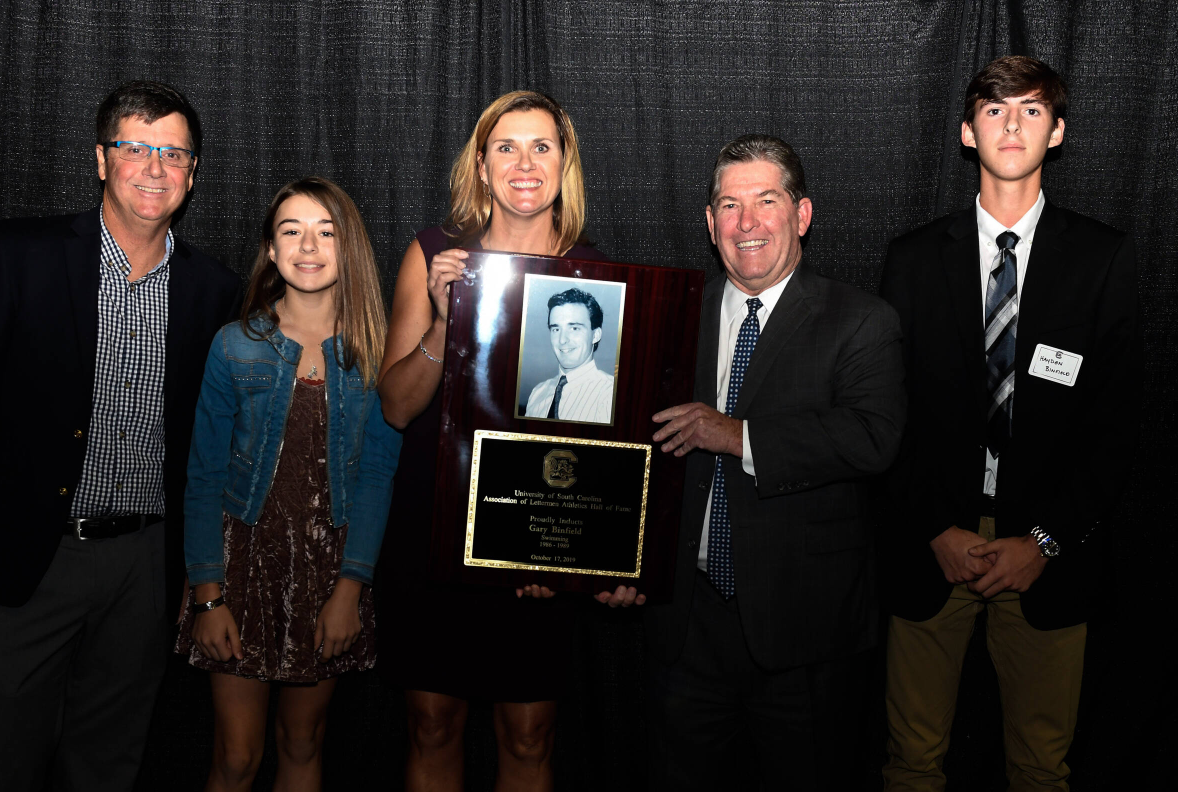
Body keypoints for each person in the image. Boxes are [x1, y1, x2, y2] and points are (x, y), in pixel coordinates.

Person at [0, 81, 241, 790]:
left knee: (110, 760)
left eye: (173, 153)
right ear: (102, 160)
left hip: (144, 568)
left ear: (193, 174)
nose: (154, 167)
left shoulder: (212, 289)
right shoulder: (23, 255)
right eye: (135, 148)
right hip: (25, 557)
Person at [879, 55, 1141, 792]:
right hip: (934, 548)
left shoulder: (1102, 259)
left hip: (1048, 557)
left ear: (1057, 133)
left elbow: (1117, 428)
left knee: (1038, 767)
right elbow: (886, 415)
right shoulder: (912, 260)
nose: (1013, 123)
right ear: (968, 133)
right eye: (995, 110)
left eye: (1031, 109)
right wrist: (936, 527)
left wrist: (1046, 541)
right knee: (912, 762)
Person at [620, 134, 905, 790]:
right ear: (709, 222)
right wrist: (623, 561)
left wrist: (737, 436)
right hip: (684, 626)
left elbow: (873, 438)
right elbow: (634, 453)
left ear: (801, 214)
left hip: (804, 637)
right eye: (728, 205)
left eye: (765, 201)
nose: (746, 223)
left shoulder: (862, 322)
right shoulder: (668, 316)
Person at [376, 90, 606, 792]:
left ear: (564, 163)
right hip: (435, 526)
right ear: (481, 165)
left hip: (536, 534)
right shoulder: (434, 255)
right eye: (506, 147)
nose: (524, 162)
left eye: (542, 146)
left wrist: (564, 549)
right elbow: (394, 406)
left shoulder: (594, 274)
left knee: (529, 733)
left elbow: (600, 441)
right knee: (433, 724)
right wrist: (445, 325)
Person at [176, 176, 401, 791]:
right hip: (239, 570)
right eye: (291, 230)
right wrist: (208, 596)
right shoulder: (234, 346)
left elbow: (379, 476)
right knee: (237, 757)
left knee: (302, 743)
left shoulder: (376, 355)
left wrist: (350, 590)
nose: (308, 245)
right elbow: (203, 479)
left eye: (326, 231)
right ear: (271, 251)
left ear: (347, 247)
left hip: (331, 574)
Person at [524, 287, 615, 423]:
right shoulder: (537, 393)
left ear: (595, 335)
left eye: (574, 328)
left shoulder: (611, 394)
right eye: (556, 329)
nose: (562, 340)